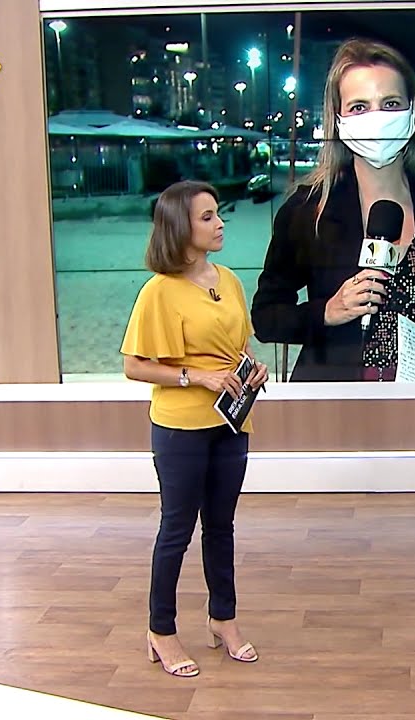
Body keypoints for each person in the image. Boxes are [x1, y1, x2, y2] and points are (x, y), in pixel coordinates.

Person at [251, 38, 415, 382]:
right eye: (359, 107)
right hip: (331, 403)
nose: (377, 118)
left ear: (413, 112)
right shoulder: (307, 210)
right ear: (338, 119)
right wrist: (328, 311)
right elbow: (266, 318)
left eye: (390, 104)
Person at [121, 180, 269, 677]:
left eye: (218, 214)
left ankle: (223, 619)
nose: (220, 223)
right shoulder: (159, 291)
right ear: (179, 228)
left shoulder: (229, 281)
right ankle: (160, 630)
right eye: (207, 217)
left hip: (231, 421)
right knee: (177, 530)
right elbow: (134, 366)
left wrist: (252, 366)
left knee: (221, 526)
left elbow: (238, 345)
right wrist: (196, 376)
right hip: (181, 428)